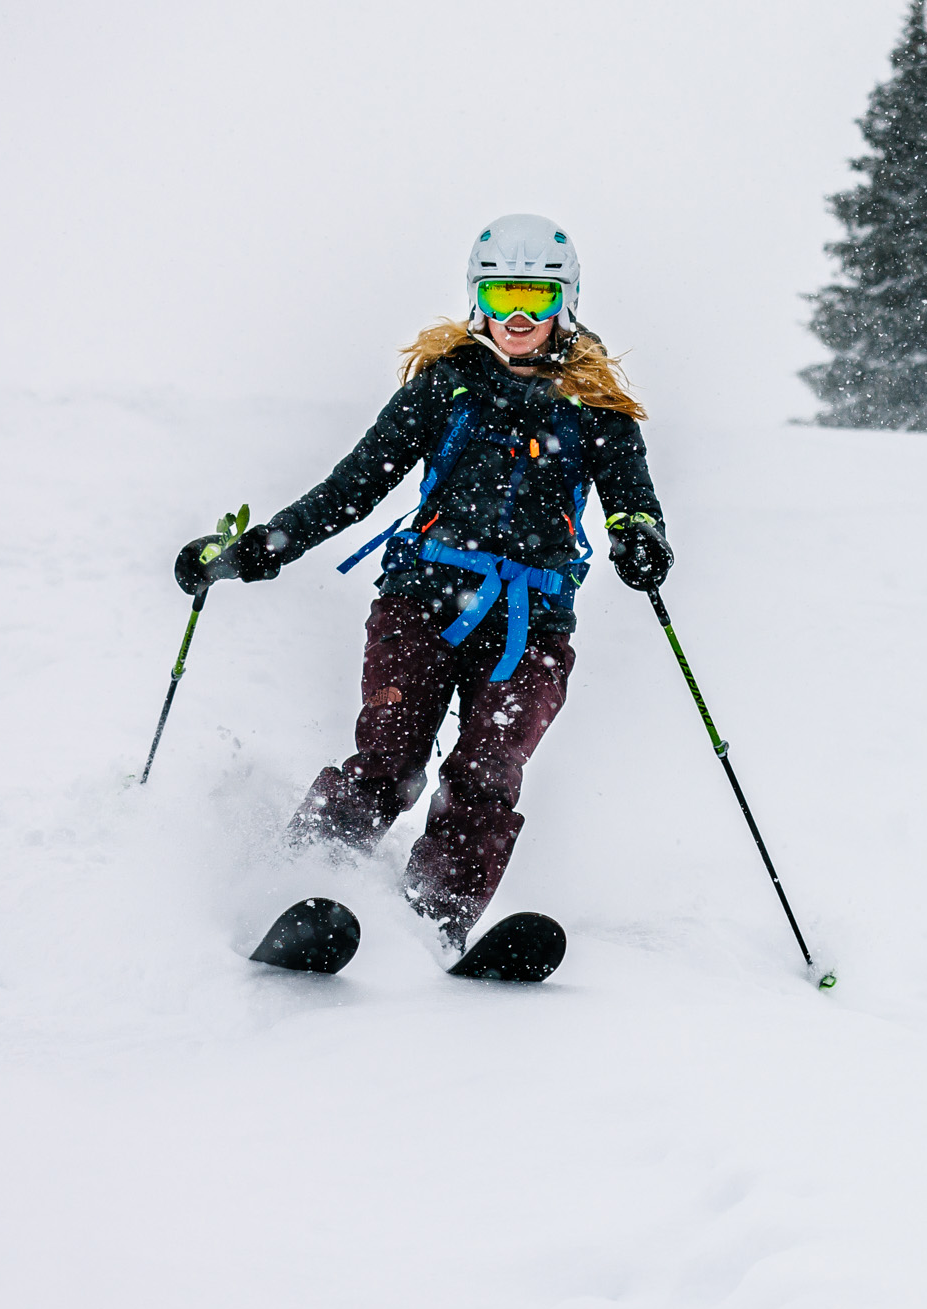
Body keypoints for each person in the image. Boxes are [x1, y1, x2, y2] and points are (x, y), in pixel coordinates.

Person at [171, 215, 673, 952]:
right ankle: (294, 887)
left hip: (534, 623)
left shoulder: (594, 410)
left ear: (565, 302)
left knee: (487, 774)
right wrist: (259, 549)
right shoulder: (446, 388)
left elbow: (635, 499)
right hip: (421, 603)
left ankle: (431, 928)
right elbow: (354, 486)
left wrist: (639, 537)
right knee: (390, 760)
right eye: (503, 297)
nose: (519, 317)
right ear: (480, 300)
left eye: (535, 297)